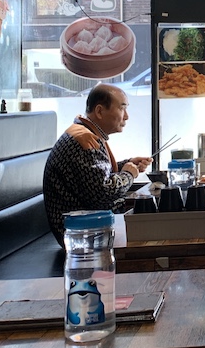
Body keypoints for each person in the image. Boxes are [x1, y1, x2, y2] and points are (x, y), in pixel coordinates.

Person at [43, 83, 152, 245]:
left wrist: (125, 165)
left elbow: (94, 177)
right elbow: (103, 194)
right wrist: (128, 174)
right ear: (100, 111)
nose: (127, 116)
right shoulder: (85, 140)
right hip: (80, 236)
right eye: (122, 108)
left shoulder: (82, 131)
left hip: (82, 228)